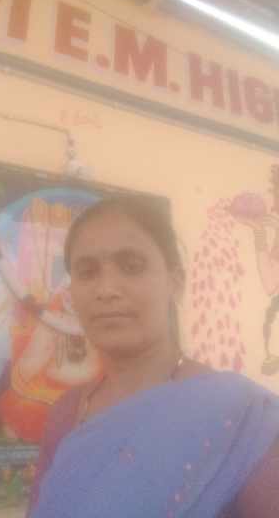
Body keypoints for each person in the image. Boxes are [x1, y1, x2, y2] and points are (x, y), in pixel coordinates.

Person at [27, 195, 279, 518]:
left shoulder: (241, 415)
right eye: (87, 272)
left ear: (175, 282)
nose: (106, 289)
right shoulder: (66, 414)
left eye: (131, 266)